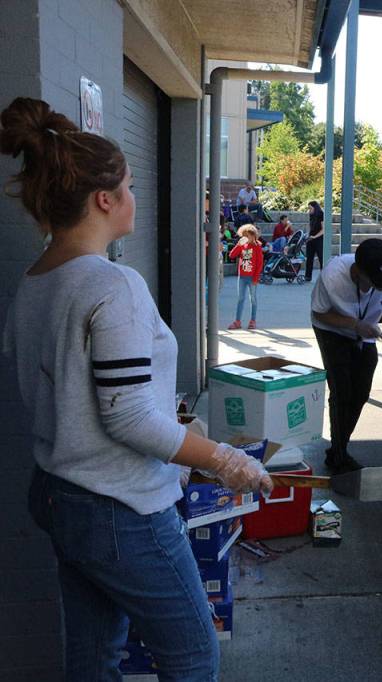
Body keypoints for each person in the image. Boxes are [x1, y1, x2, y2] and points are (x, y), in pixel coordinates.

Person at [0, 96, 271, 680]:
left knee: (95, 655)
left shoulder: (35, 280)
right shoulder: (111, 283)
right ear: (104, 200)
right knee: (193, 653)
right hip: (119, 508)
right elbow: (125, 418)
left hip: (57, 493)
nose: (134, 197)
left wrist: (165, 416)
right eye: (127, 187)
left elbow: (66, 387)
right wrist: (223, 459)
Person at [311, 239, 382, 474]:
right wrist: (354, 325)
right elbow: (320, 313)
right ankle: (338, 454)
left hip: (365, 331)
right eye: (370, 282)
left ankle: (339, 445)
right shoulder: (333, 275)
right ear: (357, 270)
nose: (375, 288)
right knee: (341, 390)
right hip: (331, 329)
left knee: (360, 391)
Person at [228, 224, 264, 330]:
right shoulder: (242, 245)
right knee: (240, 299)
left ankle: (253, 320)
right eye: (243, 236)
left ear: (253, 236)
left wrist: (255, 278)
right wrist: (238, 245)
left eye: (247, 236)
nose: (245, 238)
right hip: (242, 277)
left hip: (252, 277)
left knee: (253, 299)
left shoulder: (257, 247)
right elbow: (231, 255)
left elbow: (259, 263)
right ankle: (237, 321)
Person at [305, 200, 326, 280]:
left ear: (315, 207)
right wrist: (308, 235)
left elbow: (323, 230)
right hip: (311, 239)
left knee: (321, 258)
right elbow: (310, 227)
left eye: (310, 208)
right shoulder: (311, 215)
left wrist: (315, 236)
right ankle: (308, 276)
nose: (309, 210)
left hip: (319, 239)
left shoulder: (321, 215)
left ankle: (323, 276)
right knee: (309, 258)